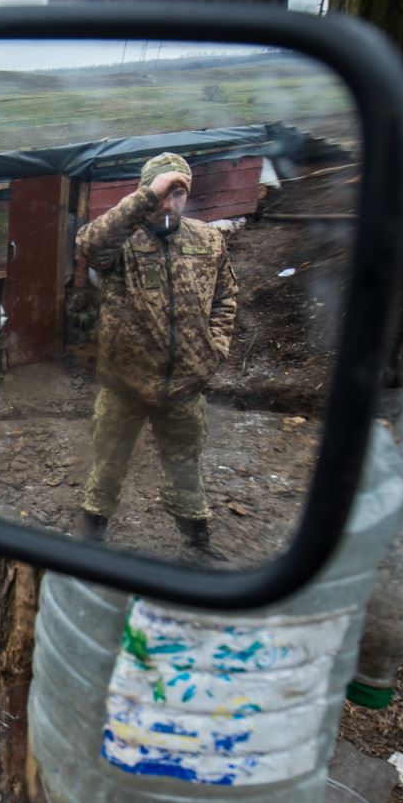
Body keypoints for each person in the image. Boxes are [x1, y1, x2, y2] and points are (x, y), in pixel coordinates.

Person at [75, 152, 239, 560]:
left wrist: (214, 348)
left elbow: (226, 297)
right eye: (162, 195)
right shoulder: (120, 244)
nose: (169, 204)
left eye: (178, 193)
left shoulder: (209, 240)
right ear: (145, 194)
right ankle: (90, 542)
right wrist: (148, 195)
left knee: (185, 468)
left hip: (185, 384)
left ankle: (197, 545)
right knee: (107, 466)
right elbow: (89, 244)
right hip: (124, 384)